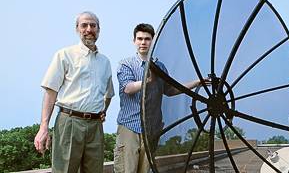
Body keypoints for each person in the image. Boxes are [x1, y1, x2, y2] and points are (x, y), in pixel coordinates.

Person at [114, 23, 206, 173]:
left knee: (145, 170)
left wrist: (197, 82)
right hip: (130, 127)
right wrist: (148, 80)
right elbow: (128, 88)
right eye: (140, 39)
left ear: (153, 41)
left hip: (152, 129)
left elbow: (170, 90)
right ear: (134, 41)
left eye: (147, 39)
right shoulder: (126, 64)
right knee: (126, 170)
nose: (143, 42)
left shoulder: (160, 67)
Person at [34, 11, 115, 173]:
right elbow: (51, 91)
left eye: (93, 25)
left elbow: (109, 94)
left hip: (95, 126)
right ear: (77, 29)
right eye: (84, 25)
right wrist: (44, 127)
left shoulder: (105, 62)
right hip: (69, 122)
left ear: (99, 29)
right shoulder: (64, 55)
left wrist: (103, 111)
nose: (89, 29)